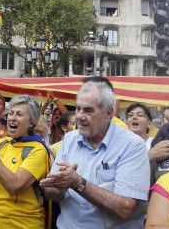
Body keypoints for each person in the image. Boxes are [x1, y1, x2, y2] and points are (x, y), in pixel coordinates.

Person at [40, 79, 150, 229]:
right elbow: (52, 194)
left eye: (88, 110)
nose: (79, 116)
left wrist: (77, 183)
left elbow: (125, 208)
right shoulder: (70, 139)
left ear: (109, 113)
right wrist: (56, 187)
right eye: (78, 109)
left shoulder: (132, 146)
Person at [0, 95, 50, 229]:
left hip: (23, 225)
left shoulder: (38, 150)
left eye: (19, 114)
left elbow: (14, 186)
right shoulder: (1, 143)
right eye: (11, 113)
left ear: (31, 122)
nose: (12, 118)